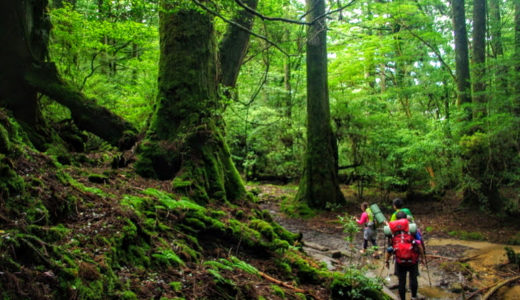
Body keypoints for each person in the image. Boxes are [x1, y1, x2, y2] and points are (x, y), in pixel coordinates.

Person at [385, 211, 425, 300]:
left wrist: (386, 261)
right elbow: (419, 245)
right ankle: (414, 297)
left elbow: (390, 249)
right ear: (406, 219)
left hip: (400, 260)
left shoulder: (393, 232)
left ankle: (402, 298)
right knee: (413, 278)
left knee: (401, 281)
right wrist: (422, 258)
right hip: (413, 259)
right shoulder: (413, 230)